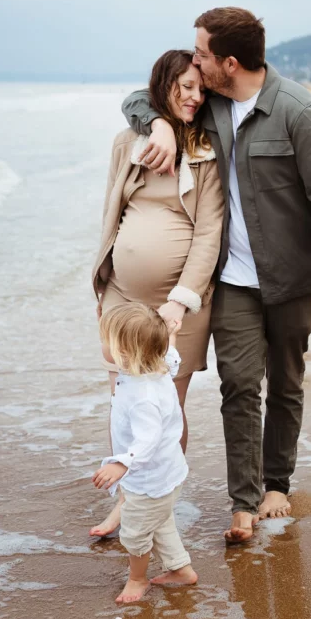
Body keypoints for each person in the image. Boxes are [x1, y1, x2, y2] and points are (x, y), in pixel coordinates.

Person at [122, 8, 311, 543]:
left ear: (229, 62)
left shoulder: (300, 112)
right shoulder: (213, 105)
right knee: (239, 387)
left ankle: (277, 485)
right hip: (232, 282)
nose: (195, 61)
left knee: (286, 385)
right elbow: (139, 99)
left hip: (293, 281)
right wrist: (159, 124)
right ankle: (243, 503)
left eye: (202, 54)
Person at [90, 49, 224, 537]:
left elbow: (209, 232)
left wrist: (181, 298)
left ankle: (160, 504)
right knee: (123, 406)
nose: (195, 97)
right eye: (185, 87)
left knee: (167, 407)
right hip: (121, 297)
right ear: (163, 85)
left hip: (178, 304)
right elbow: (112, 211)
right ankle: (127, 503)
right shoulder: (128, 142)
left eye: (201, 89)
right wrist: (105, 280)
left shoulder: (206, 150)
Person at [92, 302, 198, 604]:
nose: (102, 346)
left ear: (124, 353)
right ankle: (181, 569)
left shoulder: (143, 397)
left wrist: (121, 464)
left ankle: (137, 579)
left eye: (106, 341)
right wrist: (170, 335)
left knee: (136, 534)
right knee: (161, 523)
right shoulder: (158, 366)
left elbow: (148, 440)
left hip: (149, 479)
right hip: (166, 474)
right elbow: (172, 355)